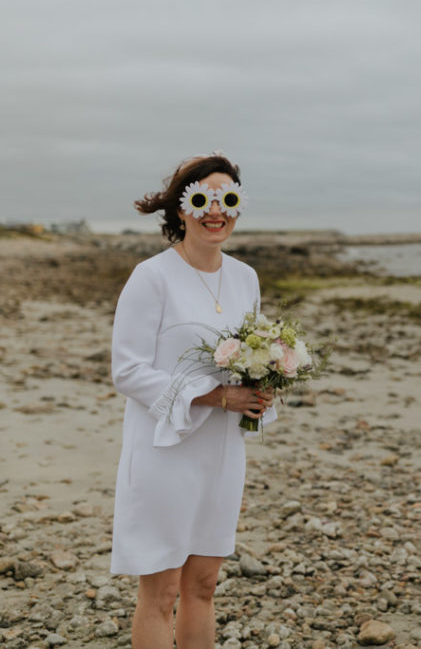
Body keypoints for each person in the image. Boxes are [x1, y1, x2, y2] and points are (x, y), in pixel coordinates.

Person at [109, 152, 276, 648]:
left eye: (227, 199)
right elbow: (129, 369)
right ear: (182, 209)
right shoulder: (151, 276)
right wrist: (215, 396)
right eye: (201, 199)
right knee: (160, 593)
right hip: (165, 450)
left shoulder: (246, 278)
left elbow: (250, 355)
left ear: (238, 207)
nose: (215, 211)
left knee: (203, 586)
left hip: (222, 452)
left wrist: (263, 387)